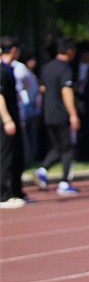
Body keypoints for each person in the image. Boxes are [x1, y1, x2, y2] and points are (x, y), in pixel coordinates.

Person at [33, 37, 80, 196]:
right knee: (68, 149)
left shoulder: (46, 68)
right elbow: (66, 90)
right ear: (70, 51)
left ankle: (42, 169)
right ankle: (65, 182)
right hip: (61, 113)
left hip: (48, 113)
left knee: (57, 147)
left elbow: (42, 88)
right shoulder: (65, 68)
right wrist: (73, 114)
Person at [1, 38, 28, 208]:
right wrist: (7, 119)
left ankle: (16, 191)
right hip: (5, 121)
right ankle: (2, 195)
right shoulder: (2, 71)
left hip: (14, 118)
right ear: (13, 50)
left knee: (17, 156)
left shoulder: (9, 69)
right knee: (5, 157)